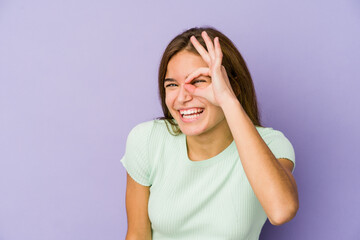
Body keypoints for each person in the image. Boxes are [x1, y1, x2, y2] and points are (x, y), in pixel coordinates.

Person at [121, 26, 299, 240]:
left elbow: (281, 211)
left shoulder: (271, 144)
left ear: (232, 86)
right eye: (172, 85)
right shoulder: (147, 139)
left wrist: (228, 100)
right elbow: (137, 234)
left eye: (198, 81)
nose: (182, 97)